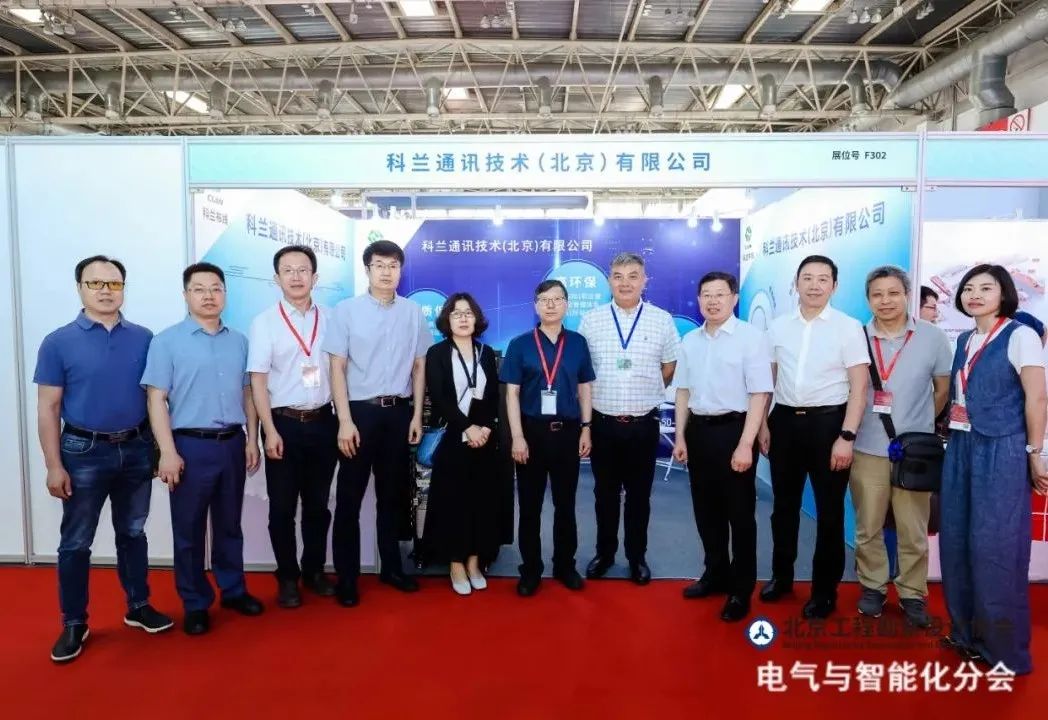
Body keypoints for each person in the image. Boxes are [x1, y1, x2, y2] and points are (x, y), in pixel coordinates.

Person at [35, 255, 173, 663]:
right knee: (76, 542)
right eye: (95, 283)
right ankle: (74, 622)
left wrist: (161, 449)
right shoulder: (58, 342)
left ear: (124, 288)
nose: (105, 291)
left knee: (133, 532)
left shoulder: (145, 338)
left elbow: (156, 398)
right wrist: (53, 465)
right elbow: (48, 408)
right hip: (83, 451)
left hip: (136, 447)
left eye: (114, 283)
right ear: (80, 288)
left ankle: (138, 606)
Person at [142, 262, 264, 636]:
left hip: (232, 444)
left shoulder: (239, 341)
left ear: (225, 293)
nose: (208, 296)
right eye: (199, 289)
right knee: (189, 530)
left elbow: (248, 393)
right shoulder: (166, 341)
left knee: (229, 525)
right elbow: (156, 399)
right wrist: (167, 452)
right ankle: (195, 602)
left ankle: (233, 590)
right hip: (189, 447)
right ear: (186, 295)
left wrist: (252, 438)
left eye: (216, 288)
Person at [940, 264, 1048, 675]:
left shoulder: (1020, 335)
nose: (975, 294)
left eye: (986, 288)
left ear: (1004, 294)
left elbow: (1037, 399)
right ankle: (966, 634)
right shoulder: (964, 338)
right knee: (956, 541)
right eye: (968, 288)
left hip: (1002, 448)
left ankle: (1003, 649)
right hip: (961, 445)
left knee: (996, 547)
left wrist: (1034, 452)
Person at [759, 255, 869, 619]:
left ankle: (824, 591)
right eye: (807, 278)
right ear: (796, 283)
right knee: (783, 508)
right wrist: (763, 425)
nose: (814, 285)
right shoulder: (778, 327)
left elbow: (859, 388)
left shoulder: (848, 327)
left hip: (829, 426)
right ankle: (781, 577)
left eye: (823, 279)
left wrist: (847, 436)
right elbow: (768, 381)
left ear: (834, 286)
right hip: (784, 423)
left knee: (829, 512)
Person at [322, 240, 431, 607]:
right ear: (367, 269)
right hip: (359, 414)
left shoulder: (413, 312)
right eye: (380, 265)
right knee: (349, 499)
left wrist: (415, 415)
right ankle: (347, 577)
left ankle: (391, 568)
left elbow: (419, 366)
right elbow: (336, 367)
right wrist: (344, 420)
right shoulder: (346, 311)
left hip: (398, 413)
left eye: (394, 265)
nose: (387, 272)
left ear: (401, 270)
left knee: (392, 497)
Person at [850, 266, 951, 628]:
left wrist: (917, 428)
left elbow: (942, 389)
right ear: (868, 299)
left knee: (913, 528)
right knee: (868, 526)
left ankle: (912, 593)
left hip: (915, 453)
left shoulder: (932, 337)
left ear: (907, 295)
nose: (886, 301)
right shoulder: (856, 337)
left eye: (893, 293)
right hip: (866, 447)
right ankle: (873, 586)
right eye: (877, 294)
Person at [672, 272, 772, 623]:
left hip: (735, 431)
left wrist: (746, 444)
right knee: (706, 511)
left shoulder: (751, 338)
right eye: (706, 295)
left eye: (720, 294)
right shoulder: (691, 341)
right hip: (699, 432)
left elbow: (759, 393)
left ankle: (740, 590)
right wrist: (680, 436)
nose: (712, 301)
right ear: (699, 299)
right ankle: (715, 573)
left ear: (734, 298)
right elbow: (682, 391)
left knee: (740, 515)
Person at [579, 253, 679, 585]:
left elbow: (669, 366)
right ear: (609, 280)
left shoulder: (661, 319)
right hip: (603, 423)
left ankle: (637, 557)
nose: (625, 283)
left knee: (639, 496)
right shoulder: (592, 320)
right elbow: (583, 372)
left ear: (644, 280)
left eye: (633, 276)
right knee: (604, 495)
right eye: (618, 276)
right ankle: (605, 554)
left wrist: (644, 389)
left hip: (643, 424)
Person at [248, 245, 338, 609]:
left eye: (303, 270)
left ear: (315, 277)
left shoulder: (331, 318)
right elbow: (257, 380)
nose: (296, 277)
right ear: (277, 278)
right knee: (282, 508)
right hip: (283, 424)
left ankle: (313, 570)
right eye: (288, 270)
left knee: (318, 505)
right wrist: (268, 430)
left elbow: (340, 372)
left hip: (323, 421)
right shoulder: (264, 322)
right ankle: (287, 576)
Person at [502, 279, 595, 596]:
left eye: (557, 299)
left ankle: (565, 565)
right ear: (535, 306)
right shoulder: (520, 344)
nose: (551, 305)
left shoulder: (578, 343)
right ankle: (530, 570)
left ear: (567, 304)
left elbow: (585, 388)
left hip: (568, 433)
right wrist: (517, 437)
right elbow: (512, 395)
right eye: (544, 299)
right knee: (529, 507)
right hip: (531, 434)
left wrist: (586, 427)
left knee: (565, 505)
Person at [421, 293, 501, 595]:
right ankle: (455, 562)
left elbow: (492, 396)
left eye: (468, 313)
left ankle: (474, 561)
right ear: (447, 320)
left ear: (476, 318)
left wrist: (485, 429)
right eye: (456, 313)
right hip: (453, 436)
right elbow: (440, 397)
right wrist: (468, 427)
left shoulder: (486, 352)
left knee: (481, 500)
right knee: (453, 501)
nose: (463, 318)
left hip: (483, 439)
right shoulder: (437, 353)